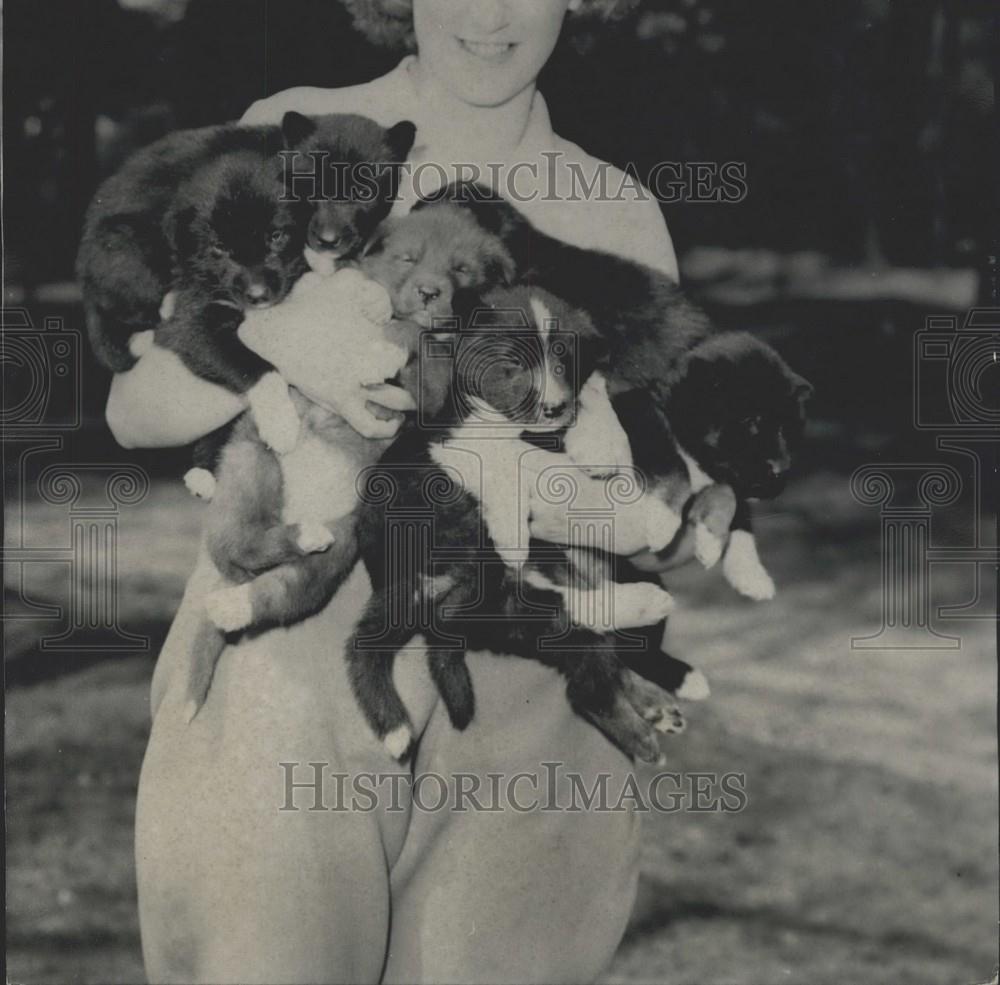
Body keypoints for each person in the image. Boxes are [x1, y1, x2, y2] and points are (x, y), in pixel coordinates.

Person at [124, 2, 695, 981]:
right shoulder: (297, 132)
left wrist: (632, 499)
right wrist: (273, 335)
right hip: (287, 673)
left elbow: (658, 506)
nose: (490, 12)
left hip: (523, 696)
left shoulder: (617, 208)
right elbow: (136, 408)